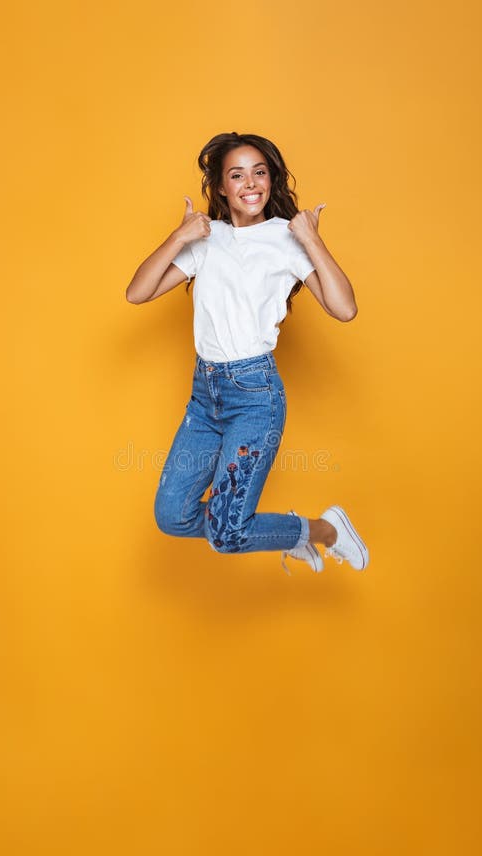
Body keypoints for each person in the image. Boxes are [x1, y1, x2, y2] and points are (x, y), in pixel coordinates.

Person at [126, 131, 368, 573]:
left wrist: (310, 237)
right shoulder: (207, 238)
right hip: (205, 397)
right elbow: (137, 293)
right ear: (221, 187)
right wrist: (179, 236)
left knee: (226, 534)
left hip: (254, 397)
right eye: (237, 175)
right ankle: (280, 532)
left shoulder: (285, 238)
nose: (250, 184)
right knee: (172, 516)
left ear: (271, 180)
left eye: (259, 173)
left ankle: (325, 531)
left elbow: (344, 308)